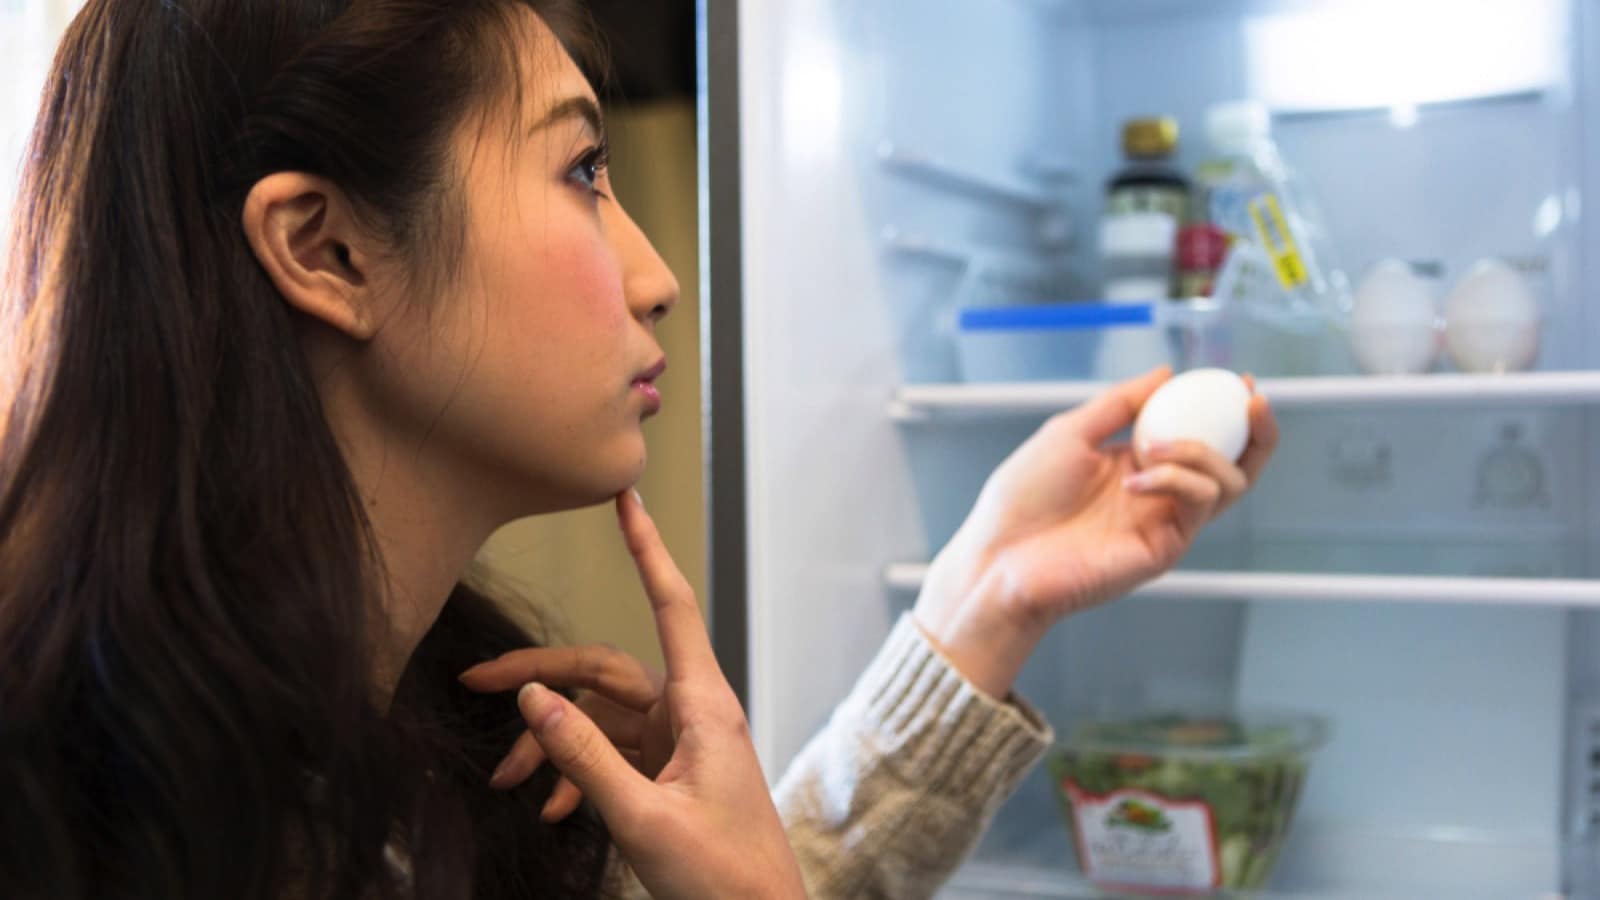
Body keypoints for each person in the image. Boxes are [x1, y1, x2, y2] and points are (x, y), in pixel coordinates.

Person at [0, 2, 1278, 899]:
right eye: (581, 169)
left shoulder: (408, 735)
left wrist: (984, 598)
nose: (658, 276)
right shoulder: (138, 829)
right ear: (327, 252)